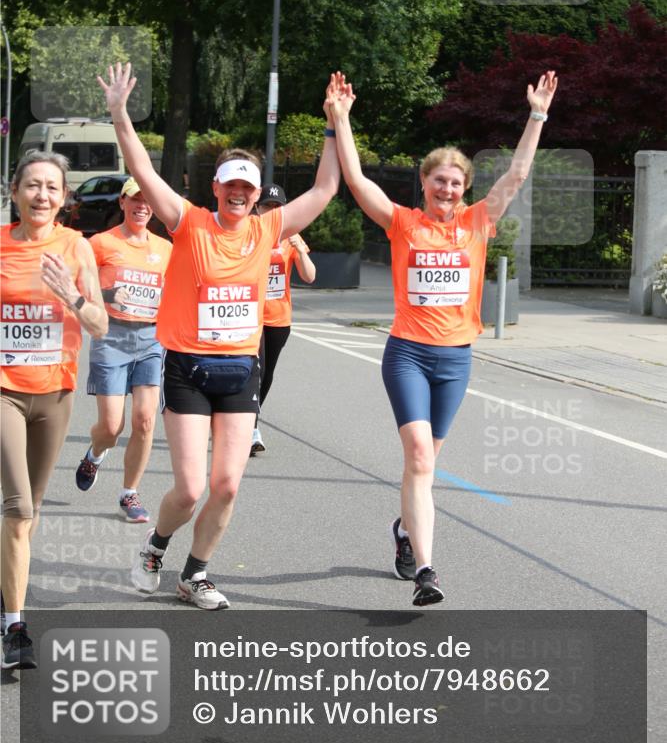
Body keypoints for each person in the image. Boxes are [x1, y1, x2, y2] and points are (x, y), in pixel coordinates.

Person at [97, 62, 339, 610]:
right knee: (189, 489)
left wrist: (333, 123)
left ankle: (196, 573)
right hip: (186, 368)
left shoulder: (269, 228)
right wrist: (118, 113)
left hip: (239, 370)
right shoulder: (189, 222)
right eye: (230, 184)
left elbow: (326, 187)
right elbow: (142, 167)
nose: (238, 193)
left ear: (256, 196)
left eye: (246, 187)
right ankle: (155, 546)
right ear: (216, 188)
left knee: (227, 485)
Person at [327, 69, 558, 606]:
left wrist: (538, 114)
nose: (448, 189)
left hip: (456, 358)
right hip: (407, 352)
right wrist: (340, 122)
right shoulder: (404, 223)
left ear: (465, 188)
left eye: (456, 182)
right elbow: (359, 182)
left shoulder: (478, 222)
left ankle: (406, 531)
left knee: (424, 464)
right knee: (420, 460)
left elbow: (518, 175)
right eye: (439, 181)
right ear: (425, 184)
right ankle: (428, 571)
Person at [1, 151, 107, 668]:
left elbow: (101, 326)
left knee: (30, 511)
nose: (41, 195)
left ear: (63, 198)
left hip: (55, 394)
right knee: (18, 507)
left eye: (52, 188)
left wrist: (73, 297)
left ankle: (8, 587)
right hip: (3, 390)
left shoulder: (75, 247)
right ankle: (14, 628)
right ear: (14, 190)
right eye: (32, 186)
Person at [75, 178, 172, 522]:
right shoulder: (100, 244)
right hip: (111, 338)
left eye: (147, 201)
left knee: (145, 420)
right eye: (135, 199)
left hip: (150, 340)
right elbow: (81, 287)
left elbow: (176, 293)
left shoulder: (166, 249)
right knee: (111, 426)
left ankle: (129, 494)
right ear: (122, 202)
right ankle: (95, 454)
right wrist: (110, 296)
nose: (142, 206)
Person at [250, 184, 316, 455]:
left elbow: (310, 276)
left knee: (268, 376)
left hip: (279, 317)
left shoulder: (292, 236)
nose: (272, 211)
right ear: (257, 208)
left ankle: (246, 420)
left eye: (277, 207)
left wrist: (300, 251)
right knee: (257, 372)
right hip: (251, 318)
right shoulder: (249, 233)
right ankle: (251, 427)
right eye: (267, 206)